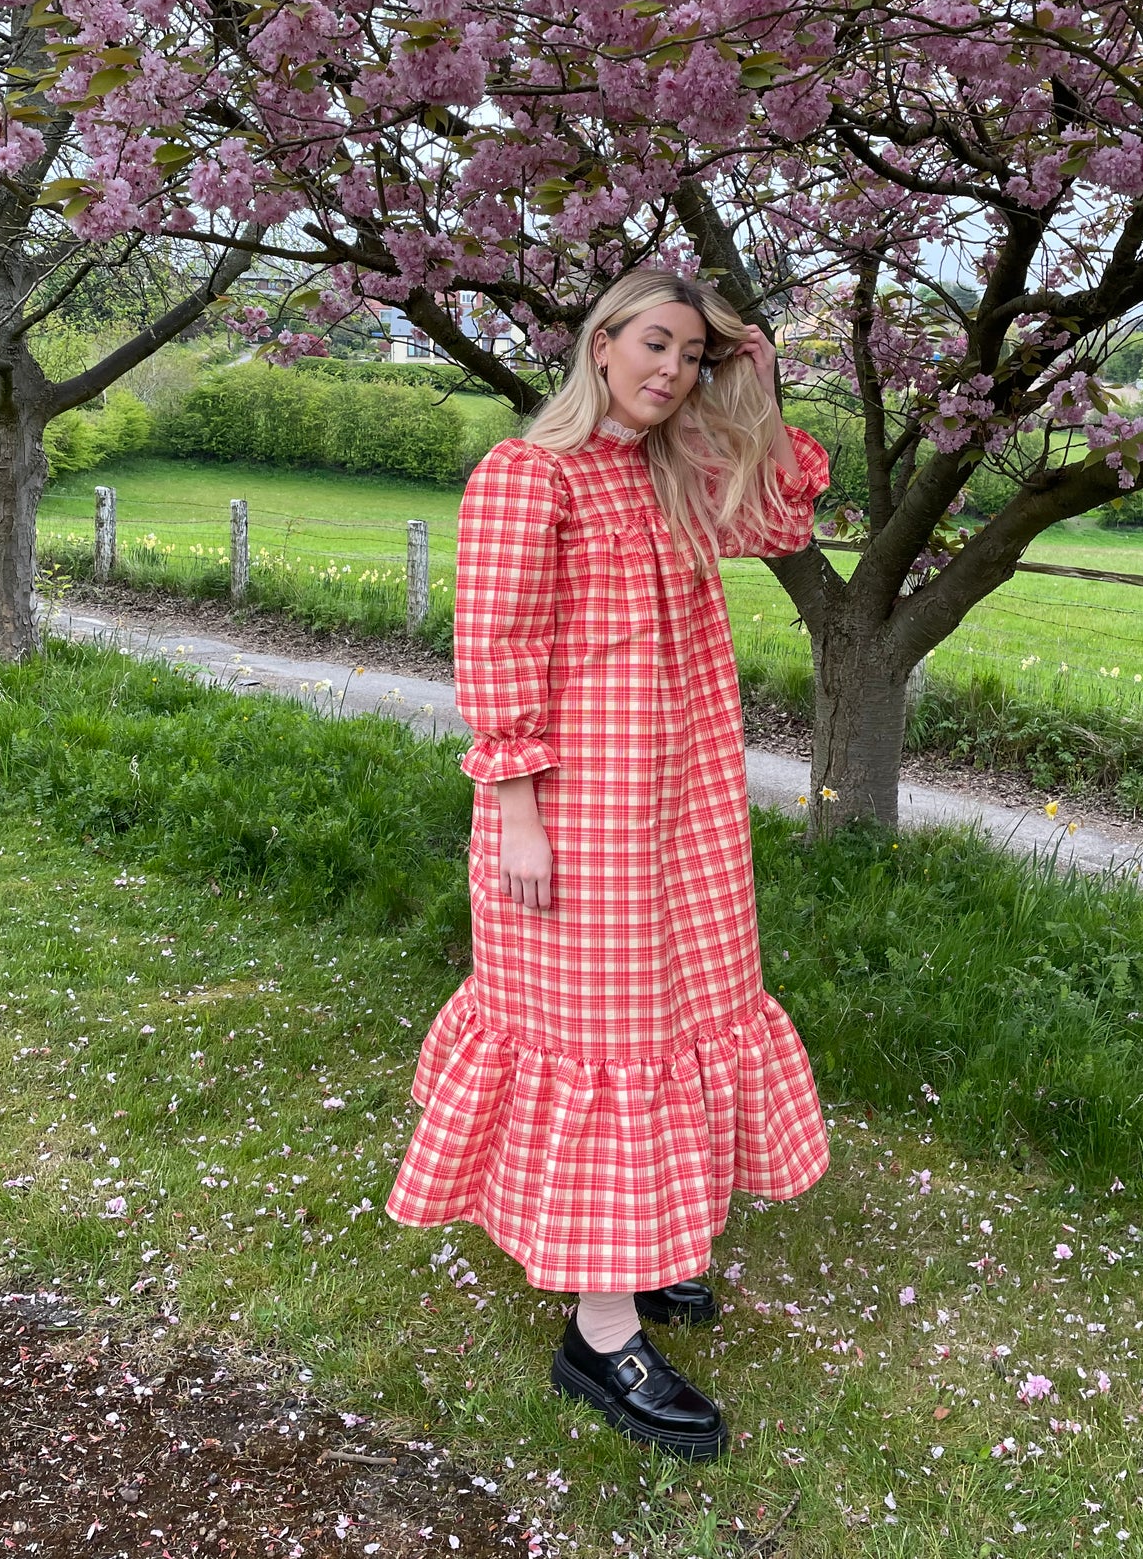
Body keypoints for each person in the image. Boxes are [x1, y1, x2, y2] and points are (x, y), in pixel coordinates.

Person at [386, 270, 831, 1460]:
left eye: (690, 355)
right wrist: (517, 814)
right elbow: (495, 651)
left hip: (679, 805)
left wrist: (757, 371)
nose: (670, 370)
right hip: (577, 815)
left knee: (688, 1010)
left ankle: (634, 1255)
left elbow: (781, 519)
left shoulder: (669, 473)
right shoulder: (527, 476)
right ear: (598, 343)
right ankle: (598, 1331)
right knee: (606, 1045)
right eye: (653, 343)